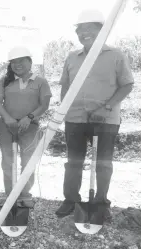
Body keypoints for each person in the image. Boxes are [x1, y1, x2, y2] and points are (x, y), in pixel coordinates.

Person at [56, 9, 134, 218]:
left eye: (90, 29)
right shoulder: (72, 57)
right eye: (80, 30)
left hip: (105, 120)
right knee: (73, 161)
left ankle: (101, 202)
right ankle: (71, 199)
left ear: (103, 31)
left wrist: (106, 108)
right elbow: (65, 86)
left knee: (103, 163)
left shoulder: (116, 55)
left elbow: (127, 85)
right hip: (75, 118)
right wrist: (64, 108)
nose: (84, 33)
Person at [0, 46, 52, 208]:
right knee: (7, 161)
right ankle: (10, 194)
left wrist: (29, 117)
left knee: (28, 161)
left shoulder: (40, 82)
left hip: (30, 127)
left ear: (30, 62)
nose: (17, 65)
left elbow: (44, 104)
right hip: (6, 126)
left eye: (21, 61)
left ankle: (24, 194)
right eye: (14, 62)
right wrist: (8, 118)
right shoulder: (4, 81)